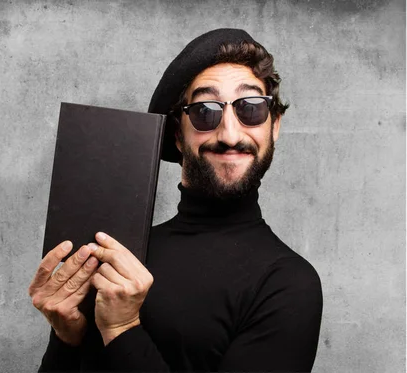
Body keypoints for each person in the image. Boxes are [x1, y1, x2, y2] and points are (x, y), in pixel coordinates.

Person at [28, 28, 323, 372]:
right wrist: (66, 338)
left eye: (252, 107)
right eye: (204, 111)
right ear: (177, 135)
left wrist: (122, 329)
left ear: (274, 126)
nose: (230, 134)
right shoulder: (114, 256)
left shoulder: (290, 284)